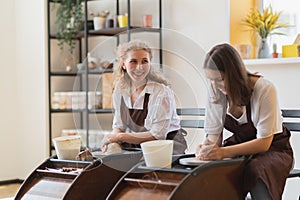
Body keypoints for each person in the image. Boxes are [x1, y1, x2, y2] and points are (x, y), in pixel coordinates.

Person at [196, 43, 293, 200]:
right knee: (213, 171)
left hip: (274, 150)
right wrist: (207, 148)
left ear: (234, 73)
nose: (214, 85)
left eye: (220, 79)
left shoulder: (264, 89)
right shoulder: (215, 91)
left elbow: (264, 143)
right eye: (210, 80)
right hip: (240, 146)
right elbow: (214, 136)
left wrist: (222, 152)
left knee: (256, 170)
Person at [101, 40, 187, 155]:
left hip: (166, 145)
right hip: (140, 145)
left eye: (144, 61)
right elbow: (118, 126)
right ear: (123, 64)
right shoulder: (120, 90)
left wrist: (120, 137)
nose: (139, 67)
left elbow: (157, 136)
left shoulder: (160, 93)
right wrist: (113, 141)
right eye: (133, 61)